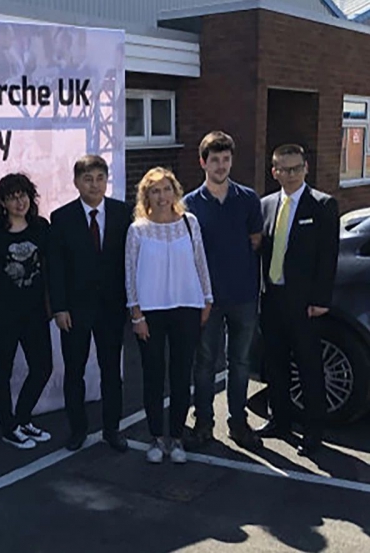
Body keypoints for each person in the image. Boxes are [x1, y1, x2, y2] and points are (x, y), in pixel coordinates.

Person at [126, 167, 213, 465]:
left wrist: (207, 299)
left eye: (166, 189)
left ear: (175, 192)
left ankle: (176, 437)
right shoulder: (138, 229)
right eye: (155, 191)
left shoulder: (190, 223)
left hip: (186, 307)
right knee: (153, 375)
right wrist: (136, 314)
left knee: (181, 375)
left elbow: (200, 261)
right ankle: (155, 437)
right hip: (150, 312)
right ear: (146, 196)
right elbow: (130, 273)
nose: (162, 196)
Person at [183, 131, 264, 451]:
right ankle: (203, 422)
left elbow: (255, 241)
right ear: (203, 162)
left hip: (243, 296)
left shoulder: (248, 199)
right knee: (204, 363)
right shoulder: (189, 204)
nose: (221, 165)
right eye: (214, 159)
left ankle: (238, 423)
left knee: (240, 363)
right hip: (207, 299)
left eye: (226, 159)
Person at [258, 144, 339, 457]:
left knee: (308, 368)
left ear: (306, 168)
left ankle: (313, 432)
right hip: (272, 299)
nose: (290, 175)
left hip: (305, 305)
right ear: (274, 172)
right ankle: (280, 421)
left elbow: (328, 256)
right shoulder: (266, 205)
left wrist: (321, 299)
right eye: (284, 169)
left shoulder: (322, 205)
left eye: (296, 168)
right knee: (275, 365)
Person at [48, 154, 130, 453]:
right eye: (88, 179)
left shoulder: (123, 213)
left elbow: (130, 261)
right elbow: (55, 267)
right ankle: (78, 430)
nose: (94, 185)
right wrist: (59, 307)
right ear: (76, 182)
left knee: (111, 371)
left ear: (106, 180)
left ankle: (112, 429)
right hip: (74, 310)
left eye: (100, 178)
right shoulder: (62, 217)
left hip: (112, 307)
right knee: (74, 372)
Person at [0, 173, 53, 450]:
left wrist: (52, 305)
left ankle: (22, 418)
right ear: (2, 202)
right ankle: (8, 427)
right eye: (12, 197)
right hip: (2, 312)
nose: (19, 202)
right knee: (2, 371)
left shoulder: (41, 227)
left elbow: (48, 268)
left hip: (35, 311)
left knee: (43, 366)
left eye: (23, 195)